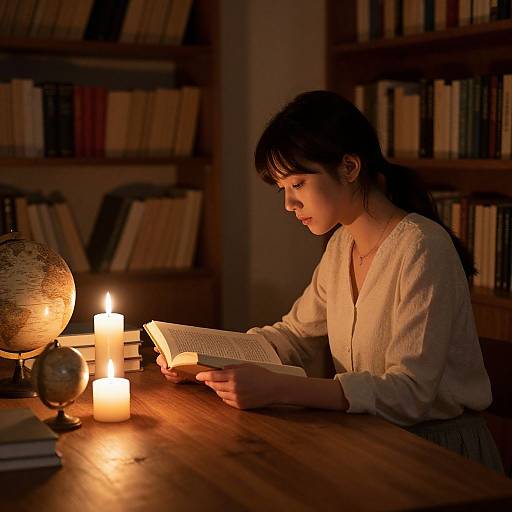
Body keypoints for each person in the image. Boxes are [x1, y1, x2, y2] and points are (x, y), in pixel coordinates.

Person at [156, 90, 503, 473]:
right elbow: (292, 336)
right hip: (371, 444)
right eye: (282, 189)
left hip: (437, 456)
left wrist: (280, 388)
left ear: (350, 167)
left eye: (298, 184)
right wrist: (203, 363)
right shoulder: (342, 244)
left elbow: (410, 392)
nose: (288, 204)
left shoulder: (422, 248)